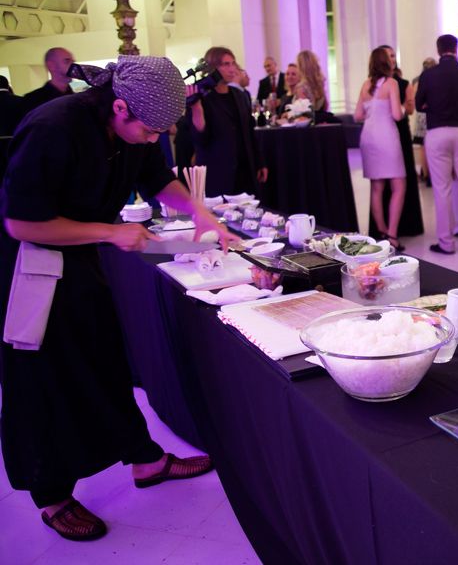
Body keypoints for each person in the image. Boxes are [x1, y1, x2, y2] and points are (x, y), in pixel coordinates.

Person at [0, 55, 239, 541]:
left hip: (82, 259)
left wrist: (202, 213)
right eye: (149, 131)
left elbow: (158, 178)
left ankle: (145, 460)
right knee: (48, 380)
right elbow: (20, 223)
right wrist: (109, 232)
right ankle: (52, 496)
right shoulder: (52, 128)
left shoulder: (135, 128)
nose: (153, 140)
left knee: (106, 360)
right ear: (119, 107)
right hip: (34, 267)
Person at [415, 34, 458, 255]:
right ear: (456, 48)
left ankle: (446, 242)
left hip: (437, 132)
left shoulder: (428, 74)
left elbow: (419, 104)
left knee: (442, 189)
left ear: (439, 50)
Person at [189, 47, 267, 197]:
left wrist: (260, 162)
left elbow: (250, 132)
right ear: (212, 67)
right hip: (218, 172)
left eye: (233, 63)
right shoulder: (203, 98)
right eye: (225, 64)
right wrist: (197, 109)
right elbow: (200, 138)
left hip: (244, 171)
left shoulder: (240, 95)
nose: (232, 69)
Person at [369, 45, 425, 238]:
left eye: (393, 55)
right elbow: (396, 112)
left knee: (399, 180)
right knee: (383, 184)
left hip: (400, 133)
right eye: (388, 56)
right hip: (385, 133)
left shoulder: (403, 83)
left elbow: (410, 110)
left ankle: (400, 227)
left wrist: (405, 105)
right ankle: (386, 231)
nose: (391, 59)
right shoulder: (376, 84)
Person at [355, 48, 406, 249]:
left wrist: (372, 111)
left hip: (368, 137)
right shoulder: (391, 83)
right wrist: (403, 107)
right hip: (386, 137)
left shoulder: (365, 85)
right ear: (386, 62)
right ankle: (392, 235)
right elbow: (397, 115)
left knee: (377, 188)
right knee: (399, 186)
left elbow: (357, 115)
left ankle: (382, 232)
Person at [21, 47, 74, 116]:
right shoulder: (32, 101)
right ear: (52, 66)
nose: (73, 66)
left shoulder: (77, 99)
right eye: (67, 61)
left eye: (73, 62)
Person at [411, 57, 438, 185]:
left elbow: (414, 100)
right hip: (433, 114)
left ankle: (426, 175)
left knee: (423, 147)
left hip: (421, 116)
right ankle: (433, 174)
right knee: (434, 148)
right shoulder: (436, 79)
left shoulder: (416, 80)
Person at [295, 50, 330, 120]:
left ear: (300, 67)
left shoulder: (301, 87)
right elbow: (325, 106)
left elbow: (304, 113)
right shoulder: (319, 84)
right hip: (322, 121)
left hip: (310, 123)